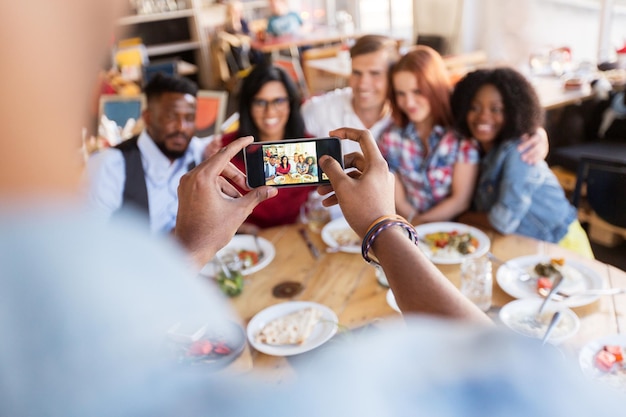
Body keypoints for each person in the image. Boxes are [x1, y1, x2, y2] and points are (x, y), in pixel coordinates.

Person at [4, 1, 624, 414]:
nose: (372, 89)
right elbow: (516, 380)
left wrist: (531, 133)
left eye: (389, 80)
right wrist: (381, 225)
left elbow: (493, 125)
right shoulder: (329, 118)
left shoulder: (447, 120)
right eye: (362, 75)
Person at [451, 68, 594, 257]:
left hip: (562, 247)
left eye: (496, 109)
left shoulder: (521, 151)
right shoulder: (476, 149)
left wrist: (463, 217)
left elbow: (502, 221)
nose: (483, 116)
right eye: (474, 107)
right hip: (523, 248)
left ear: (513, 110)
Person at [84, 73, 206, 234]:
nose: (182, 127)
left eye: (189, 118)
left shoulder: (196, 152)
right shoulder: (110, 166)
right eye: (171, 117)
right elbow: (88, 238)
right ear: (148, 118)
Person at [379, 46, 480, 225]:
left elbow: (460, 200)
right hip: (409, 226)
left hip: (454, 231)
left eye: (417, 91)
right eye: (401, 94)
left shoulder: (462, 138)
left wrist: (422, 223)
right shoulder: (391, 138)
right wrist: (414, 225)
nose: (408, 102)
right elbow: (399, 200)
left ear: (435, 87)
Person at [220, 63, 312, 230]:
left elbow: (319, 202)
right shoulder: (226, 149)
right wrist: (241, 228)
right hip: (245, 242)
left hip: (297, 239)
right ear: (248, 106)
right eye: (260, 102)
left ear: (291, 103)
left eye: (278, 101)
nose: (270, 112)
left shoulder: (309, 146)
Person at [301, 34, 399, 154]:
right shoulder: (322, 109)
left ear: (392, 77)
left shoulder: (405, 117)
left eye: (375, 73)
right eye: (356, 73)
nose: (362, 84)